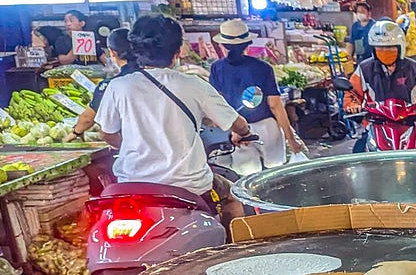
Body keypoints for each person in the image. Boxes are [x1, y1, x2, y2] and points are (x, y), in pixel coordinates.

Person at [94, 13, 251, 219]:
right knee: (233, 197)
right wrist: (244, 132)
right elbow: (236, 123)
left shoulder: (118, 86)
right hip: (188, 185)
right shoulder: (194, 85)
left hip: (133, 185)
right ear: (177, 52)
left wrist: (138, 145)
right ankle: (232, 249)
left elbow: (108, 134)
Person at [207, 19, 305, 166]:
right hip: (267, 128)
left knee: (247, 178)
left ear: (222, 45)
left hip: (238, 130)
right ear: (248, 44)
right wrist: (290, 138)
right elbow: (275, 105)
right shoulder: (263, 68)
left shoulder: (216, 68)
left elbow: (218, 105)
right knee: (275, 174)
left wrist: (233, 130)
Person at [349, 19, 416, 151]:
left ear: (400, 47)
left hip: (411, 125)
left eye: (390, 48)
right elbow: (351, 93)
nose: (384, 51)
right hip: (376, 125)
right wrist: (353, 106)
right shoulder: (364, 69)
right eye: (380, 48)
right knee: (358, 159)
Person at [70, 27, 137, 140]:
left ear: (112, 52)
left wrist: (75, 132)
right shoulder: (154, 76)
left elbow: (88, 119)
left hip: (133, 147)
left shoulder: (112, 85)